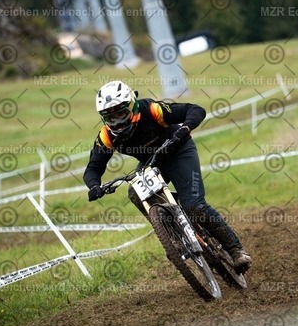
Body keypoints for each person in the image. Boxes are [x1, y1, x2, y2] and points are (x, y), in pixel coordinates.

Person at [83, 80, 252, 271]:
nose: (118, 122)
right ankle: (173, 237)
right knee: (135, 192)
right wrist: (94, 186)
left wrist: (184, 129)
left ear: (132, 106)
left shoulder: (152, 110)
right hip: (151, 162)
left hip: (179, 151)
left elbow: (195, 110)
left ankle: (236, 250)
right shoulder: (106, 135)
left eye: (121, 114)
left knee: (194, 206)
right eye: (111, 117)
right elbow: (93, 167)